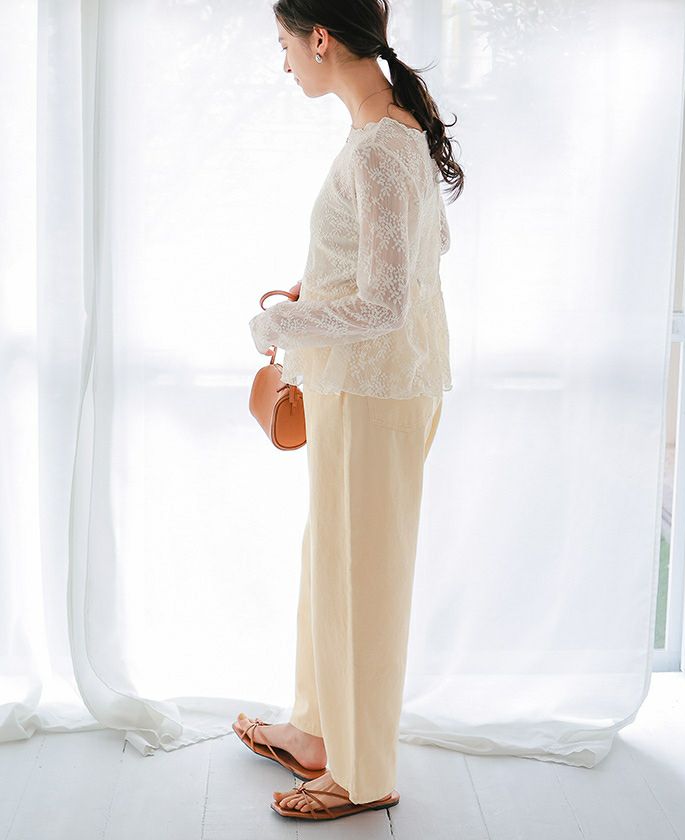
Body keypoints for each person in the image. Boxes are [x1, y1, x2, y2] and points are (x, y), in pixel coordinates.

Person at [235, 0, 464, 822]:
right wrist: (319, 285)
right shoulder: (388, 131)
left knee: (362, 579)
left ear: (321, 39)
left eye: (286, 44)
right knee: (333, 562)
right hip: (367, 388)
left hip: (374, 393)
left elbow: (387, 303)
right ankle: (314, 729)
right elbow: (426, 253)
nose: (284, 62)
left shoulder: (380, 147)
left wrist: (279, 325)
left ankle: (364, 774)